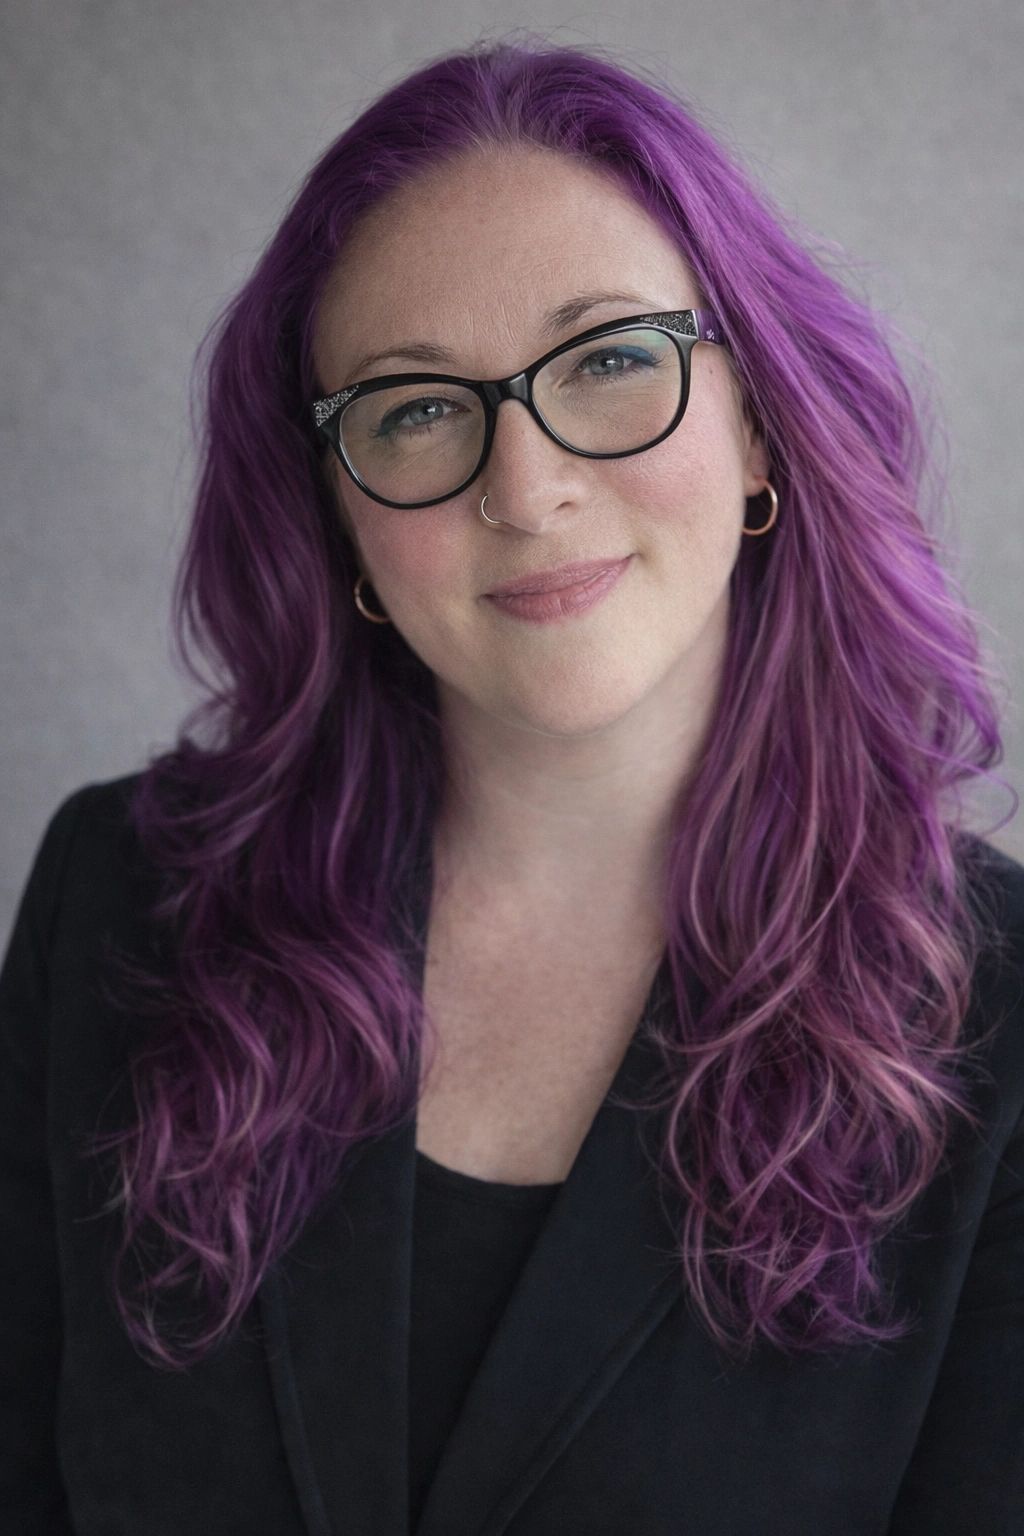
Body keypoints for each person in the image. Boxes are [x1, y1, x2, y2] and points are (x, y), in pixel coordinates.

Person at [1, 34, 1022, 1536]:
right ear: (335, 520)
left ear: (761, 429)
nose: (525, 485)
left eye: (612, 360)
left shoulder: (994, 1014)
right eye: (414, 408)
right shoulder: (119, 900)